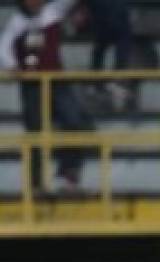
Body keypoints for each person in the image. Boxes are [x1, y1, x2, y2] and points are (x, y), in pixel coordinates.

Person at [0, 0, 93, 191]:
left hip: (56, 81)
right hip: (33, 85)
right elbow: (3, 47)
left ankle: (69, 173)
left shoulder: (52, 11)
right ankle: (36, 183)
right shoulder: (17, 22)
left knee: (74, 121)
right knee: (35, 132)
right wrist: (12, 67)